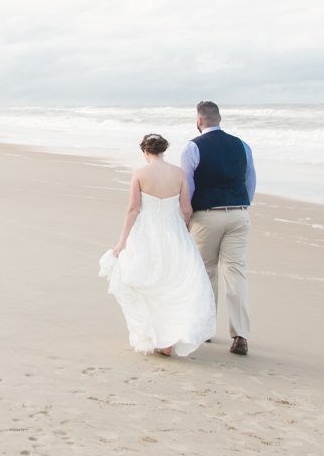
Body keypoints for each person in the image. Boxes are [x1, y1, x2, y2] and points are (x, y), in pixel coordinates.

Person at [98, 133, 216, 358]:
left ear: (145, 152)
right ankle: (169, 340)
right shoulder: (178, 173)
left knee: (149, 281)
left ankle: (157, 337)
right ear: (163, 150)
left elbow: (133, 209)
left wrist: (121, 242)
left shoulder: (140, 174)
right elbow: (186, 209)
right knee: (172, 283)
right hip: (174, 231)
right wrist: (184, 230)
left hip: (146, 232)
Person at [181, 101, 255, 357]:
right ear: (219, 118)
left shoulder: (192, 147)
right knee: (236, 273)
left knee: (206, 272)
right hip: (238, 214)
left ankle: (206, 328)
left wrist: (186, 217)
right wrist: (242, 207)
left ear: (199, 120)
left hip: (206, 215)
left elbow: (187, 188)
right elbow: (250, 181)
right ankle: (241, 335)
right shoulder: (242, 145)